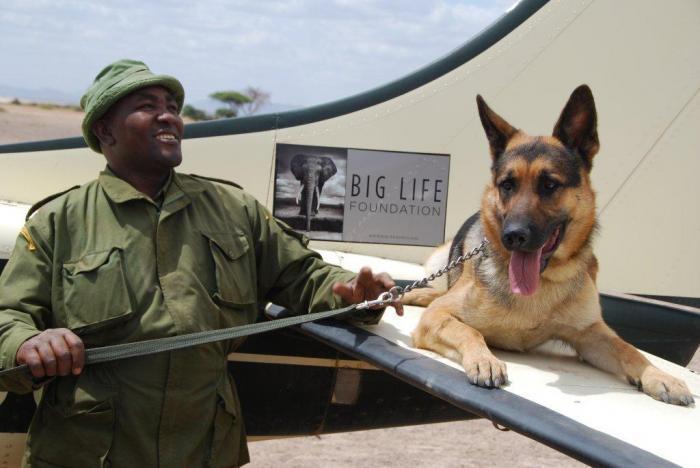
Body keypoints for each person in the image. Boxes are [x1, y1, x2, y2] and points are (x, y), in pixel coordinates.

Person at [0, 59, 403, 467]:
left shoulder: (234, 209)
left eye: (172, 106)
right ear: (104, 130)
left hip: (204, 450)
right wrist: (27, 343)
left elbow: (304, 275)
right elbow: (9, 317)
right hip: (89, 452)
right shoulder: (57, 223)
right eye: (147, 105)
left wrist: (356, 293)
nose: (168, 116)